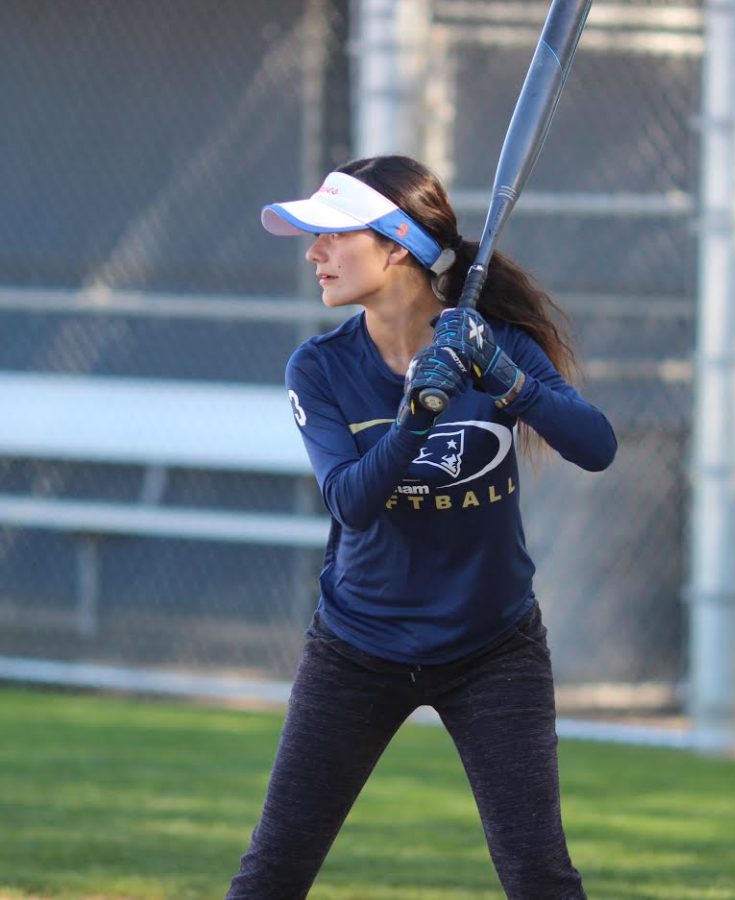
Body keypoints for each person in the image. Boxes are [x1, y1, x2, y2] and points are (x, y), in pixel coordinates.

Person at [227, 155, 617, 899]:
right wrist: (415, 415)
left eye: (332, 235)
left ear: (395, 243)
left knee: (539, 877)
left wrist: (503, 376)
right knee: (272, 873)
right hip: (357, 647)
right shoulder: (318, 367)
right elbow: (349, 500)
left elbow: (595, 447)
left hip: (492, 647)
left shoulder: (491, 343)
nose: (314, 253)